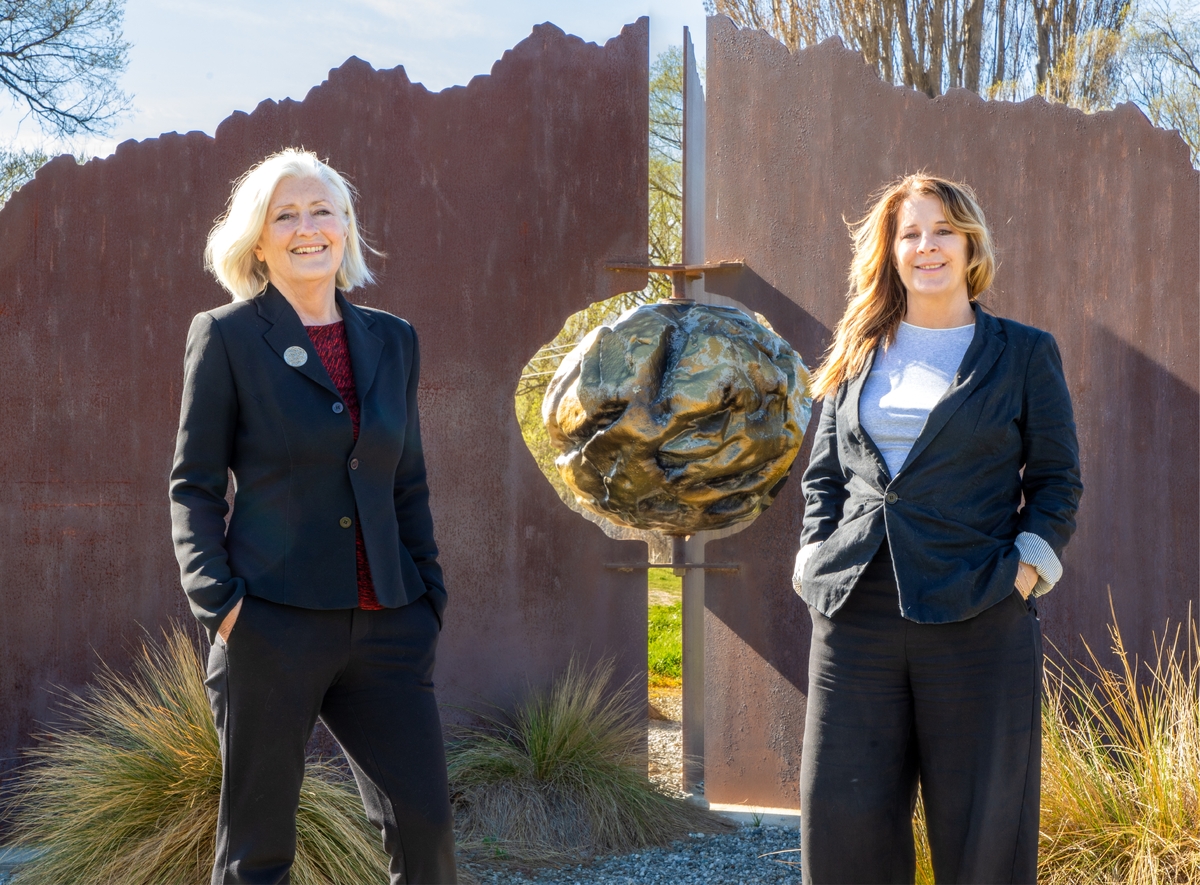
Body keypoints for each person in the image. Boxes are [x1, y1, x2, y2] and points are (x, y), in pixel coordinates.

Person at [170, 148, 457, 885]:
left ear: (346, 227)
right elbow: (195, 486)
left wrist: (428, 597)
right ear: (257, 239)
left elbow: (408, 482)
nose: (308, 227)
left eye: (322, 211)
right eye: (285, 214)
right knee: (257, 851)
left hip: (389, 622)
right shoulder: (227, 336)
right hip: (271, 621)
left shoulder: (393, 340)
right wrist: (223, 608)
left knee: (426, 831)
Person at [793, 174, 1082, 884]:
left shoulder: (1022, 353)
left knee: (985, 831)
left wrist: (1024, 570)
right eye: (911, 232)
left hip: (979, 612)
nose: (928, 246)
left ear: (970, 243)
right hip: (855, 614)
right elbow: (824, 477)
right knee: (842, 823)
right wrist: (811, 557)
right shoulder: (857, 350)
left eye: (944, 230)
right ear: (891, 251)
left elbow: (1056, 482)